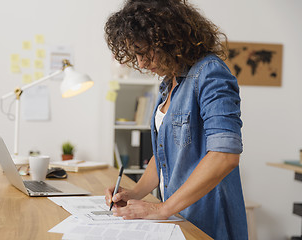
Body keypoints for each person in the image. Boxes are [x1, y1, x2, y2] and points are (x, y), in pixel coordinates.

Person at [104, 0, 248, 239]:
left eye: (143, 52)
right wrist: (135, 193)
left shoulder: (210, 73)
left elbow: (225, 156)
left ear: (168, 39)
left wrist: (162, 208)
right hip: (178, 218)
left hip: (207, 221)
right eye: (135, 55)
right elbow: (164, 157)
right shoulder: (168, 84)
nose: (140, 63)